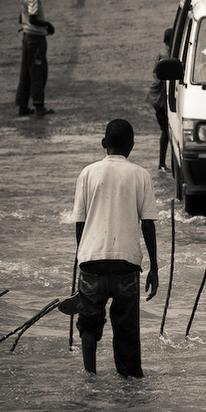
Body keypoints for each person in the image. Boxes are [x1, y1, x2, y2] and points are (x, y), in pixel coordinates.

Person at [67, 119, 160, 377]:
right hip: (126, 265)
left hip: (92, 263)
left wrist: (82, 257)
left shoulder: (87, 173)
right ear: (131, 145)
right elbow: (148, 224)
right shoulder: (140, 174)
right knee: (126, 331)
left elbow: (80, 223)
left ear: (104, 143)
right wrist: (154, 267)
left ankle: (90, 376)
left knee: (88, 324)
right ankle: (129, 388)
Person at [15, 0, 55, 117]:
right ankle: (39, 106)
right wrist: (47, 25)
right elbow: (32, 18)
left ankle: (22, 106)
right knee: (38, 71)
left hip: (26, 36)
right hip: (35, 38)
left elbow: (22, 17)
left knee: (25, 72)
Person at [148, 32, 172, 171]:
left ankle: (162, 163)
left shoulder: (163, 52)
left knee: (166, 131)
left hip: (159, 98)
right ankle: (161, 163)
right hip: (161, 100)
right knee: (166, 131)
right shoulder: (166, 56)